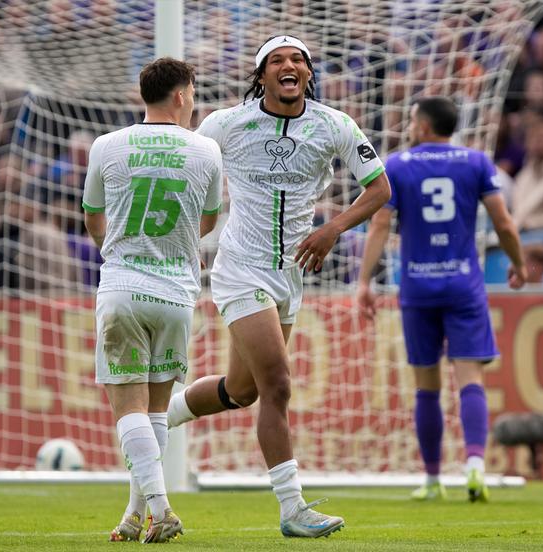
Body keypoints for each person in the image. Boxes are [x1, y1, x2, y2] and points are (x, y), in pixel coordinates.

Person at [165, 35, 390, 538]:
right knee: (279, 384)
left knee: (242, 391)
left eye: (298, 61)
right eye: (277, 61)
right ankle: (293, 509)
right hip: (240, 268)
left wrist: (333, 227)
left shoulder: (335, 125)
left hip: (291, 275)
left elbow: (379, 189)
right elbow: (185, 159)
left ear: (309, 74)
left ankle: (164, 414)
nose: (289, 66)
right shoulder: (226, 123)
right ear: (261, 76)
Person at [355, 97, 527, 503]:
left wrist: (365, 281)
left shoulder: (397, 166)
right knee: (470, 379)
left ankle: (432, 479)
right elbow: (503, 221)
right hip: (463, 285)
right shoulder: (477, 163)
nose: (410, 125)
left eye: (413, 119)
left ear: (425, 126)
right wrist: (518, 263)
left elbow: (381, 223)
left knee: (427, 387)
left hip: (417, 286)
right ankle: (474, 465)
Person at [82, 57, 223, 543]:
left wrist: (118, 249)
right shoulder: (206, 149)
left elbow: (93, 217)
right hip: (176, 293)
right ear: (181, 96)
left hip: (122, 286)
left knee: (129, 410)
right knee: (156, 412)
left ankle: (160, 508)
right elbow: (207, 222)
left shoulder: (106, 145)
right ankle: (133, 514)